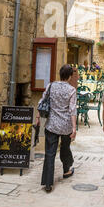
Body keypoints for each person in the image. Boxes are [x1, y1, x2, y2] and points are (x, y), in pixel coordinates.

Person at [36, 64, 77, 193]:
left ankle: (48, 183)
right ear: (70, 76)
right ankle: (66, 170)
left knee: (50, 153)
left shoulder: (51, 86)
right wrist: (74, 128)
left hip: (52, 124)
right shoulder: (71, 90)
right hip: (65, 126)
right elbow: (72, 110)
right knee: (65, 148)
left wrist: (38, 116)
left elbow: (42, 101)